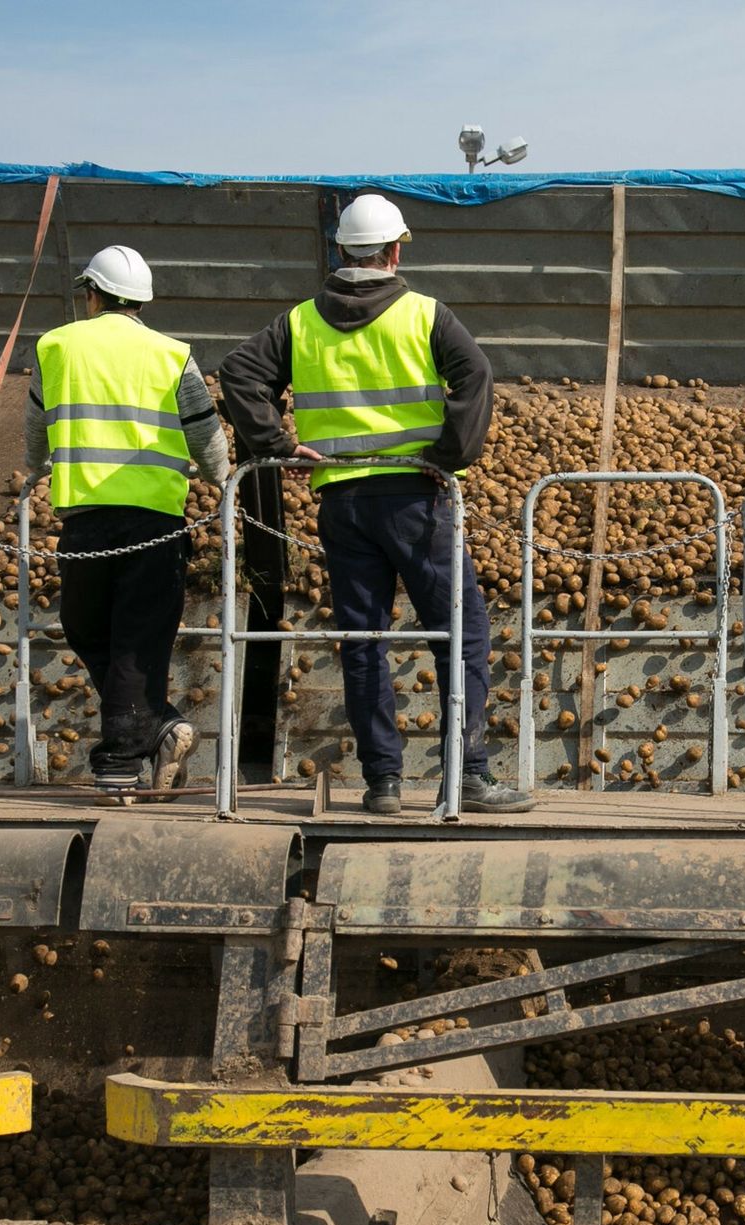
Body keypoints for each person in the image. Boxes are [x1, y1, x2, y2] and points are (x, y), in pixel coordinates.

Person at [219, 194, 533, 815]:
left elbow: (238, 373)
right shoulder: (426, 315)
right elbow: (476, 376)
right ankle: (468, 775)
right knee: (460, 633)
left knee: (364, 641)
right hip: (416, 499)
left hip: (340, 501)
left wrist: (279, 446)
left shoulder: (300, 322)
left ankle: (383, 784)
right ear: (394, 251)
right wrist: (449, 455)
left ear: (342, 251)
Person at [26, 245, 229, 803]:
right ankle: (159, 728)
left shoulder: (56, 346)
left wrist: (34, 468)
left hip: (84, 518)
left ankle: (118, 762)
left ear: (90, 294)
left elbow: (35, 426)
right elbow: (204, 432)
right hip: (154, 522)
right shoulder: (171, 354)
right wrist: (219, 476)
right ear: (141, 300)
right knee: (137, 641)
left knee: (87, 628)